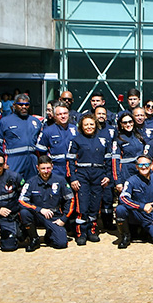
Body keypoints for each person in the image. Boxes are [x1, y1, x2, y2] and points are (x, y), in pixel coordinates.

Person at [66, 113, 115, 245]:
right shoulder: (76, 140)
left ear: (96, 125)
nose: (89, 127)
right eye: (86, 124)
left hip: (98, 174)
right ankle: (81, 233)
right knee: (82, 204)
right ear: (81, 126)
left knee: (95, 204)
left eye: (91, 124)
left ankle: (91, 230)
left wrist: (107, 176)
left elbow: (109, 161)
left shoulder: (103, 140)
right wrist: (73, 178)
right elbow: (70, 161)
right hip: (82, 174)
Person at [18, 154, 72, 250]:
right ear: (37, 168)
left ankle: (50, 235)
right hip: (37, 214)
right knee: (24, 212)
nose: (46, 171)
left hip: (54, 216)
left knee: (61, 243)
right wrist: (40, 209)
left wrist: (63, 219)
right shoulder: (31, 182)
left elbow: (70, 199)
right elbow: (22, 201)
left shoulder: (60, 180)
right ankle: (34, 238)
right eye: (43, 168)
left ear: (52, 166)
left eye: (48, 168)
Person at [115, 155, 153, 248]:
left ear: (151, 165)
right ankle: (126, 236)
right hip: (135, 213)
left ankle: (146, 231)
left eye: (146, 164)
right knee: (120, 209)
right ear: (136, 167)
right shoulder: (131, 180)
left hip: (151, 214)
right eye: (140, 165)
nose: (144, 167)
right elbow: (123, 198)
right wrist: (141, 206)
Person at [0, 93, 43, 184]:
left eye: (26, 105)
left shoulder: (35, 121)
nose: (24, 107)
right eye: (20, 104)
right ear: (14, 105)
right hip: (13, 160)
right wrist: (1, 163)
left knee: (33, 185)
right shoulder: (5, 121)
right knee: (13, 185)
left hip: (32, 160)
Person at [35, 103, 76, 180]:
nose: (63, 116)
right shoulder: (47, 131)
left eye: (65, 113)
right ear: (54, 116)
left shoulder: (76, 130)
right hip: (56, 169)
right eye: (59, 114)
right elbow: (41, 152)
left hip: (73, 168)